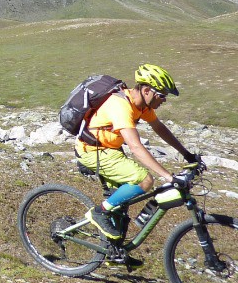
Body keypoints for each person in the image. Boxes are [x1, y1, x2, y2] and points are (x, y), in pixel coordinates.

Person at [76, 64, 199, 260]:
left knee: (122, 207)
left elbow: (160, 128)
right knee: (144, 180)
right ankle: (99, 213)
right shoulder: (121, 105)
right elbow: (135, 146)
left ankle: (114, 255)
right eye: (162, 95)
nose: (164, 100)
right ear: (147, 90)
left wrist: (187, 154)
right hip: (94, 152)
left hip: (111, 149)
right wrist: (168, 176)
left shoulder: (142, 105)